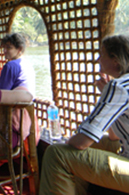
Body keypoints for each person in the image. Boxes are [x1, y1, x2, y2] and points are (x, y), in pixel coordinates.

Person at [39, 34, 129, 195]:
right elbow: (115, 137)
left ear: (115, 60)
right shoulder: (123, 86)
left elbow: (81, 142)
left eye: (102, 54)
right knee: (98, 143)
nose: (97, 59)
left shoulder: (118, 87)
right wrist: (108, 100)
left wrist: (69, 141)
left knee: (56, 153)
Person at [0, 33, 36, 97]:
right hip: (27, 104)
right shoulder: (28, 64)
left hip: (15, 104)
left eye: (9, 48)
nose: (4, 51)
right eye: (4, 47)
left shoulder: (10, 65)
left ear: (19, 49)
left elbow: (2, 93)